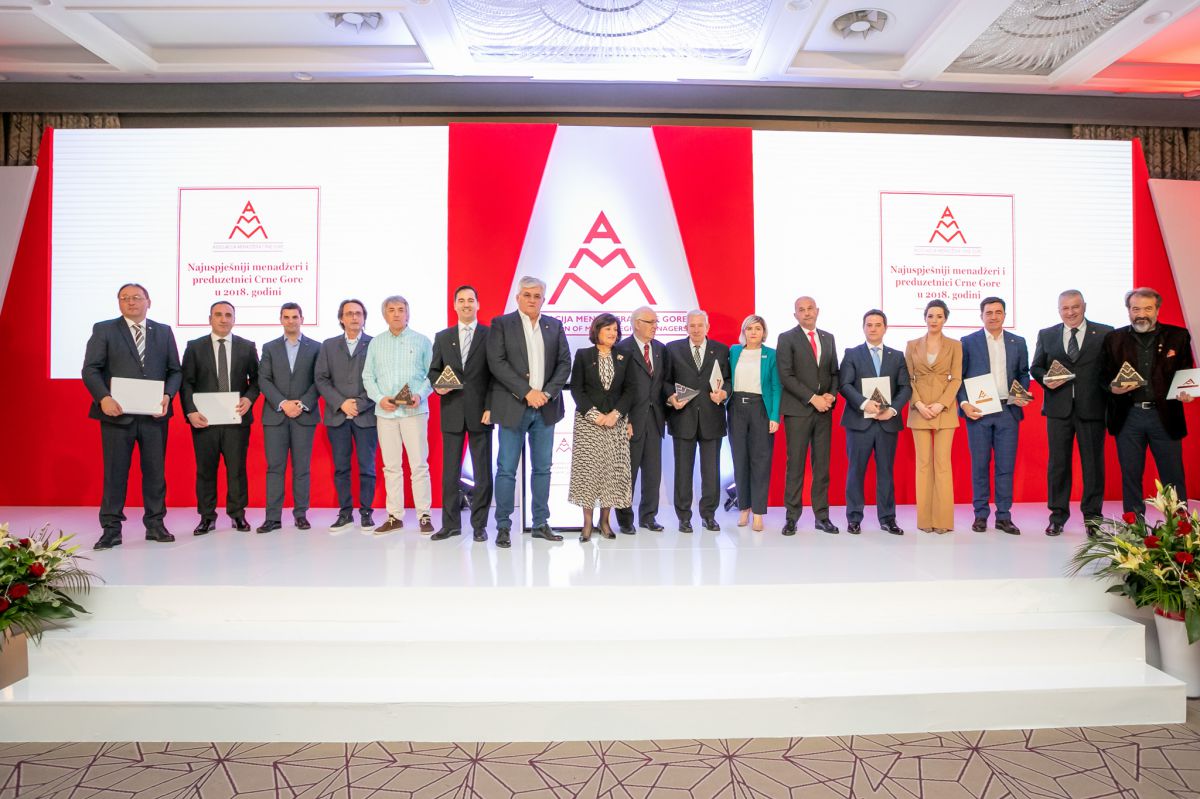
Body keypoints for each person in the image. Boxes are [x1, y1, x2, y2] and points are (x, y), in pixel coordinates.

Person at [82, 283, 182, 550]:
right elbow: (90, 369)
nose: (131, 302)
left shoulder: (163, 331)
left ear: (149, 302)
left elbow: (175, 370)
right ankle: (111, 529)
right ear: (119, 303)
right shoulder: (104, 329)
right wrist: (103, 398)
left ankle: (155, 524)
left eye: (137, 297)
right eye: (124, 298)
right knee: (115, 474)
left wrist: (168, 395)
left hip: (154, 416)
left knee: (155, 473)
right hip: (117, 415)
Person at [486, 276, 572, 549]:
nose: (532, 299)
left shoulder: (554, 326)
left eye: (537, 295)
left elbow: (564, 363)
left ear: (543, 299)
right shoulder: (501, 324)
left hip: (546, 408)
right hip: (513, 406)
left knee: (543, 468)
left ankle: (540, 523)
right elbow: (496, 363)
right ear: (518, 297)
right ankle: (503, 526)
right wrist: (527, 392)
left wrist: (546, 393)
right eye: (527, 295)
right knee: (506, 469)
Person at [1101, 287, 1194, 516]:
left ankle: (1179, 526)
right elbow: (1102, 376)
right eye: (1136, 309)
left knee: (1173, 475)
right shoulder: (1114, 339)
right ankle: (1135, 526)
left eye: (1147, 309)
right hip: (1128, 417)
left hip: (1165, 416)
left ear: (1157, 310)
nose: (1141, 314)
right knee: (1130, 474)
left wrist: (1188, 392)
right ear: (1128, 311)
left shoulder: (1178, 336)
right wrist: (1113, 388)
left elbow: (1186, 372)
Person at [1030, 290, 1113, 536]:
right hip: (1058, 410)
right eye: (1065, 308)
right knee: (1058, 465)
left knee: (1093, 466)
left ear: (1084, 306)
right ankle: (1057, 517)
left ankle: (1093, 519)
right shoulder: (1047, 334)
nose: (1070, 312)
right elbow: (1036, 367)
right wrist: (1046, 379)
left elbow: (1111, 369)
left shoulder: (1105, 333)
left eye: (1075, 307)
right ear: (1059, 310)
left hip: (1093, 409)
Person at [180, 300, 259, 536]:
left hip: (236, 419)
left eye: (228, 315)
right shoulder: (195, 347)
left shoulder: (247, 346)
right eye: (218, 315)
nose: (223, 319)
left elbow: (256, 380)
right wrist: (190, 411)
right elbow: (186, 382)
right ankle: (206, 517)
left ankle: (237, 514)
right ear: (210, 319)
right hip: (204, 420)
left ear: (234, 319)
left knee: (237, 470)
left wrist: (249, 398)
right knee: (206, 470)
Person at [362, 295, 434, 536]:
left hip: (414, 411)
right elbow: (368, 376)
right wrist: (379, 398)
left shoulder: (422, 341)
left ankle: (424, 515)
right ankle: (394, 516)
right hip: (386, 413)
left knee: (419, 465)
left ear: (408, 313)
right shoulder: (376, 343)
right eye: (391, 310)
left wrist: (420, 395)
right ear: (384, 315)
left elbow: (432, 375)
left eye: (400, 309)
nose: (396, 314)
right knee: (391, 466)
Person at [958, 297, 1031, 535]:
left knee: (1005, 467)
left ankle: (1004, 516)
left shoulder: (1018, 342)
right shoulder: (968, 342)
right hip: (979, 412)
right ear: (981, 316)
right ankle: (980, 515)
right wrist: (964, 403)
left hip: (1008, 410)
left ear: (1005, 315)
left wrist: (1022, 393)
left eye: (998, 312)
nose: (993, 316)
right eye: (988, 312)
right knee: (979, 465)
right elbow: (959, 377)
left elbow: (1023, 373)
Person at [428, 285, 494, 543]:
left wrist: (491, 406)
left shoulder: (490, 335)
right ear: (454, 305)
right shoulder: (443, 337)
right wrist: (438, 386)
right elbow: (434, 371)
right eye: (461, 300)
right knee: (450, 473)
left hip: (481, 413)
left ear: (478, 304)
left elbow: (496, 376)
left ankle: (479, 525)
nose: (466, 304)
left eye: (471, 300)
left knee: (482, 472)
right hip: (452, 410)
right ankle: (450, 524)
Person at [839, 309, 911, 535]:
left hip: (887, 423)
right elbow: (844, 385)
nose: (873, 328)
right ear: (863, 327)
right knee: (856, 471)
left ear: (885, 328)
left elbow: (905, 387)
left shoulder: (897, 356)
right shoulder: (852, 353)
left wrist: (893, 410)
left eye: (878, 325)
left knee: (886, 472)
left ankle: (888, 518)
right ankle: (854, 518)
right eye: (869, 325)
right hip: (859, 422)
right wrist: (863, 403)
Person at [569, 313, 636, 541]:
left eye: (615, 329)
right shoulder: (583, 355)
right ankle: (587, 523)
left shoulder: (625, 356)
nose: (612, 333)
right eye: (608, 329)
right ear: (597, 331)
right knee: (588, 472)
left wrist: (616, 414)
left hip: (615, 422)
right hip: (588, 423)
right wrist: (594, 414)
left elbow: (630, 390)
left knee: (610, 472)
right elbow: (577, 388)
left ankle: (605, 521)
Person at [777, 296, 839, 535]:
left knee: (822, 466)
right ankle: (792, 517)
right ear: (795, 315)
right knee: (795, 465)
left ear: (817, 311)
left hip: (824, 411)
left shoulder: (828, 337)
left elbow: (834, 372)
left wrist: (831, 395)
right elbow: (786, 375)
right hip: (798, 410)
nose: (806, 313)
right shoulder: (786, 338)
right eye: (801, 310)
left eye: (810, 308)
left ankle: (822, 516)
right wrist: (813, 398)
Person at [257, 302, 321, 534]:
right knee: (275, 468)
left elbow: (319, 380)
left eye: (295, 317)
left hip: (304, 415)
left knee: (301, 468)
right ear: (281, 320)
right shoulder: (269, 347)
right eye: (286, 317)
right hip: (276, 415)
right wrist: (283, 404)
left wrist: (301, 404)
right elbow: (263, 379)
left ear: (302, 319)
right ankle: (272, 518)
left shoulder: (317, 347)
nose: (291, 321)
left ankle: (300, 515)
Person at [314, 299, 377, 535]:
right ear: (341, 318)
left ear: (364, 317)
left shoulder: (375, 344)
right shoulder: (328, 345)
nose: (354, 317)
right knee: (341, 468)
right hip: (337, 415)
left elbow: (380, 379)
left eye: (358, 313)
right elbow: (321, 378)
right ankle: (345, 513)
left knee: (367, 467)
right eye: (349, 313)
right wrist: (341, 403)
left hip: (366, 415)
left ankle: (367, 512)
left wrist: (359, 404)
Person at [663, 309, 730, 532]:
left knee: (711, 472)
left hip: (712, 418)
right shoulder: (673, 349)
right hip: (683, 418)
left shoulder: (721, 349)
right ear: (686, 327)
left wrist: (724, 393)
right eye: (692, 325)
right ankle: (684, 517)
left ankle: (709, 515)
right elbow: (665, 381)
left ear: (708, 327)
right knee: (683, 471)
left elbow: (728, 380)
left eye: (700, 325)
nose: (696, 329)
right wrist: (671, 397)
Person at [905, 299, 962, 534]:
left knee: (942, 465)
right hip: (918, 409)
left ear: (945, 319)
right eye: (930, 316)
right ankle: (924, 520)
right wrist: (918, 403)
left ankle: (943, 521)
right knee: (923, 465)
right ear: (925, 318)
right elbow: (907, 379)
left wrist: (940, 404)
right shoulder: (911, 345)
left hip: (944, 410)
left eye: (939, 316)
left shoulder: (955, 345)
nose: (934, 320)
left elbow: (956, 378)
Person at [614, 306, 668, 534]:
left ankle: (648, 516)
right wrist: (623, 419)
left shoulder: (660, 349)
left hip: (655, 420)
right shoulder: (621, 349)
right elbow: (616, 389)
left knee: (652, 473)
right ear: (637, 324)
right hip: (631, 421)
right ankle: (625, 520)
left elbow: (663, 383)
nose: (655, 326)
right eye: (650, 322)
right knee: (627, 473)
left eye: (656, 322)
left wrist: (672, 397)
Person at [728, 314, 780, 532]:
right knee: (740, 460)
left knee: (760, 461)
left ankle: (758, 512)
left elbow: (776, 386)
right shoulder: (734, 351)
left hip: (760, 409)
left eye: (758, 328)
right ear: (744, 332)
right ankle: (744, 508)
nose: (753, 332)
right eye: (749, 328)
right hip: (736, 408)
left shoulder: (771, 354)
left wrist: (774, 416)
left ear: (764, 332)